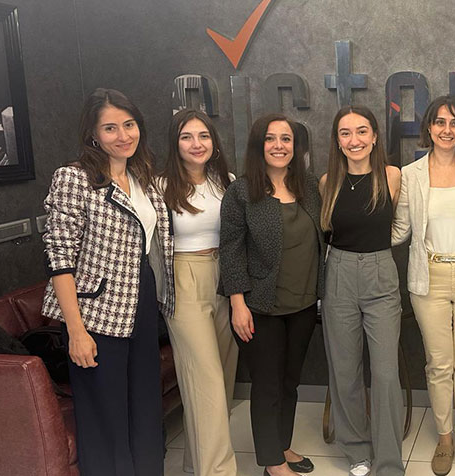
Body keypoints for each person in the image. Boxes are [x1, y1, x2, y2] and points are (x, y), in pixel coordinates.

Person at [42, 88, 174, 476]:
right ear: (93, 135)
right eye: (110, 128)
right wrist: (76, 331)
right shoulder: (75, 178)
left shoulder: (142, 176)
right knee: (106, 417)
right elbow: (59, 259)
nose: (123, 135)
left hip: (142, 303)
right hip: (96, 314)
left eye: (129, 125)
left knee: (145, 407)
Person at [392, 96, 455, 476]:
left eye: (454, 123)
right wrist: (357, 236)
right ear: (429, 128)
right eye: (439, 122)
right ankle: (444, 438)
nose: (446, 130)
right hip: (429, 276)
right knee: (438, 364)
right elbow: (401, 230)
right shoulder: (411, 174)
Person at [220, 114, 324, 476]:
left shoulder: (309, 186)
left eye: (286, 139)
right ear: (258, 145)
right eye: (270, 138)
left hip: (303, 304)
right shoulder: (242, 191)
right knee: (267, 385)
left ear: (296, 146)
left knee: (289, 381)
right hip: (260, 307)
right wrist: (237, 303)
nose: (279, 145)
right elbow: (231, 249)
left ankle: (282, 445)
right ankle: (272, 464)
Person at [319, 105, 403, 476]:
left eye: (362, 131)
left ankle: (388, 461)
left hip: (381, 273)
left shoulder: (392, 176)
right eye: (345, 133)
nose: (354, 140)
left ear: (374, 136)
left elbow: (401, 226)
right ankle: (356, 452)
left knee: (385, 374)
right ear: (337, 141)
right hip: (338, 274)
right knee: (345, 370)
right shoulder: (327, 183)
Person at [159, 108, 238, 476]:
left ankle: (196, 466)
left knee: (222, 378)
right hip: (183, 277)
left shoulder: (227, 182)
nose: (196, 144)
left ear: (214, 141)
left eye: (203, 135)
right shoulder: (159, 186)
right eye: (187, 137)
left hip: (225, 277)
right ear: (175, 143)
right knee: (205, 380)